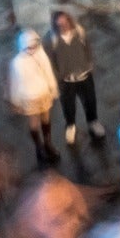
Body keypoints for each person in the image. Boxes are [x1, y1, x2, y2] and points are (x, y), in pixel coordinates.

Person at [45, 10, 105, 146]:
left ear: (69, 20)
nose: (64, 26)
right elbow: (50, 61)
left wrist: (89, 64)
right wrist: (58, 76)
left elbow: (87, 48)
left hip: (84, 75)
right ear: (55, 25)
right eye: (60, 25)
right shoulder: (50, 39)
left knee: (90, 101)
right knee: (68, 105)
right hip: (67, 81)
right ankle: (70, 126)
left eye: (65, 22)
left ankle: (93, 122)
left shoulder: (79, 31)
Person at [5, 29, 60, 166]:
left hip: (44, 93)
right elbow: (16, 84)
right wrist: (16, 101)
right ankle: (39, 147)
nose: (32, 49)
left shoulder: (41, 54)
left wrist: (53, 89)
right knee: (34, 122)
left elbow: (48, 72)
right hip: (29, 97)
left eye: (34, 46)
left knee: (46, 118)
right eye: (29, 47)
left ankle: (48, 143)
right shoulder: (17, 63)